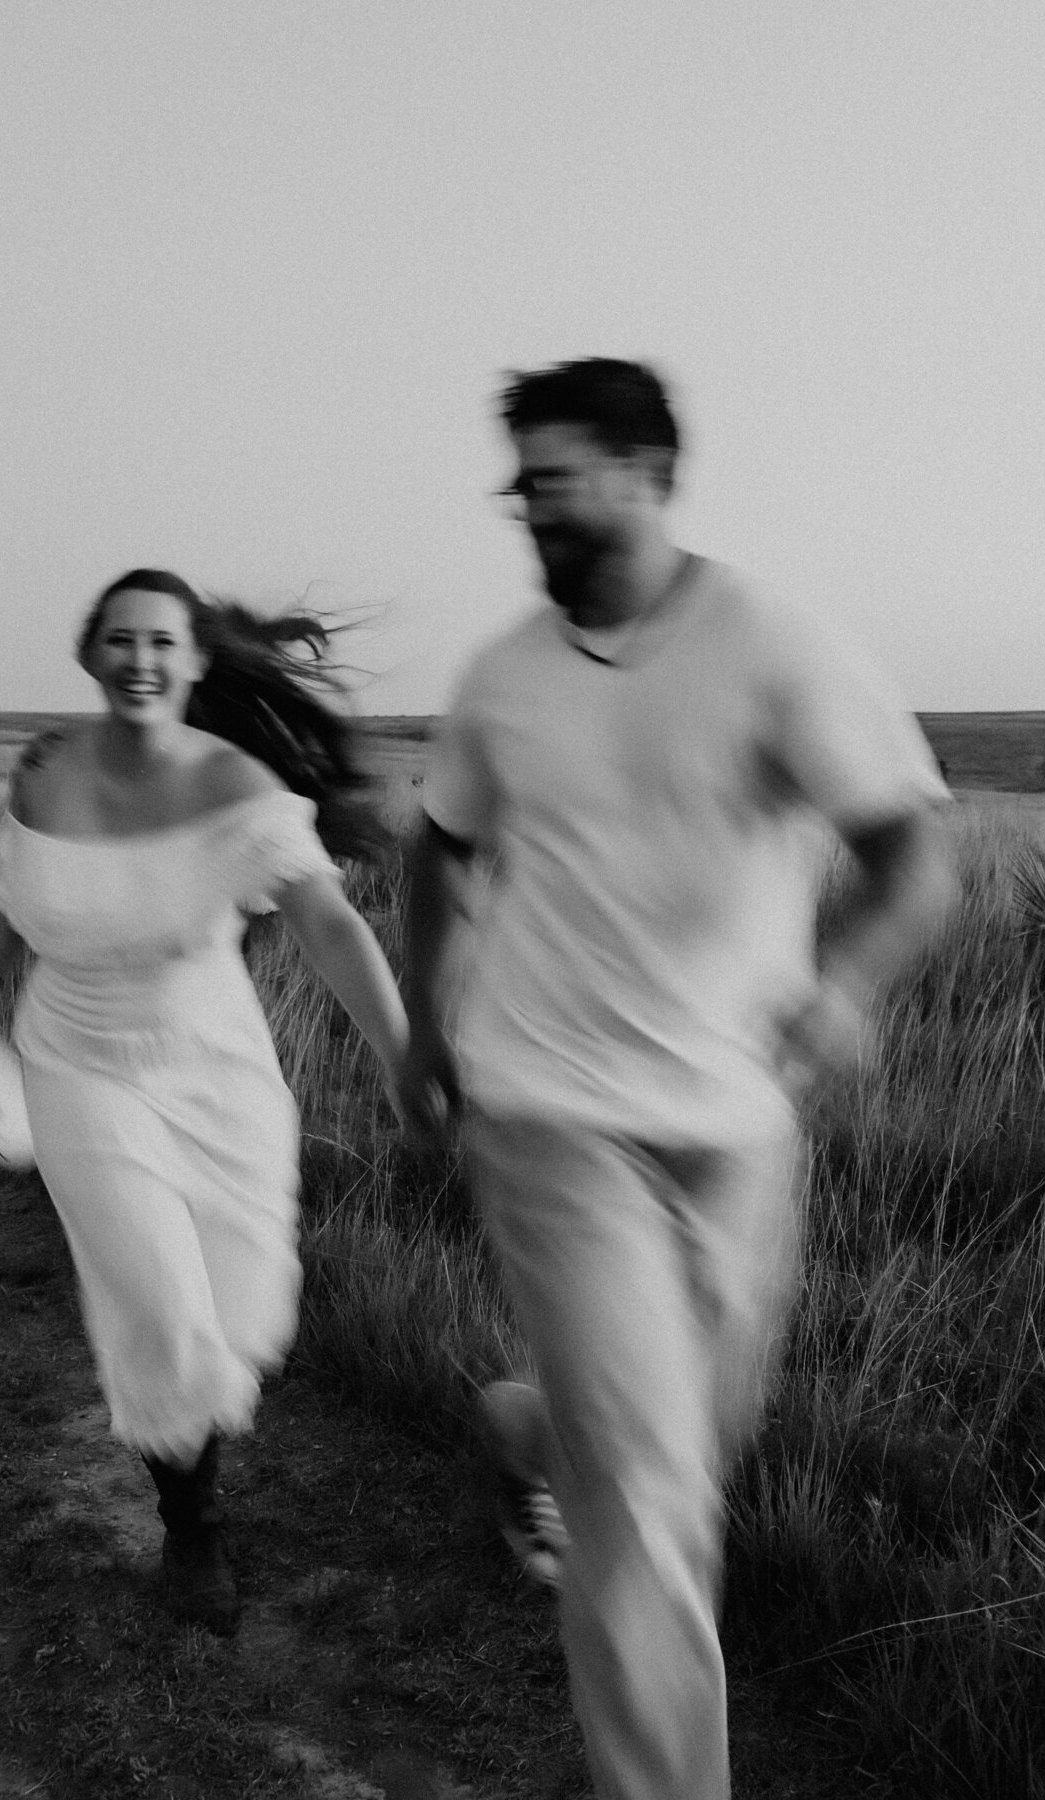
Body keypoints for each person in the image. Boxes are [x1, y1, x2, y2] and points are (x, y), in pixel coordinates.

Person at [398, 360, 955, 1800]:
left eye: (560, 475)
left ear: (651, 473)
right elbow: (438, 846)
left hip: (732, 1124)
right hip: (547, 1110)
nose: (533, 506)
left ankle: (527, 1422)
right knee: (646, 1505)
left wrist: (840, 984)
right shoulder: (504, 674)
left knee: (694, 1440)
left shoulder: (776, 644)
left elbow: (913, 856)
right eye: (522, 480)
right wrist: (425, 1026)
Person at [0, 568, 408, 1636]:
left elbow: (331, 928)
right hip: (78, 1072)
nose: (141, 660)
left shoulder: (240, 790)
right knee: (159, 1309)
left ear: (196, 659)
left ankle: (189, 1439)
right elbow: (9, 918)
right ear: (91, 655)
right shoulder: (44, 778)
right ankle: (193, 1523)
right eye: (120, 641)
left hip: (215, 1073)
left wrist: (404, 1060)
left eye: (162, 642)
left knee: (241, 1314)